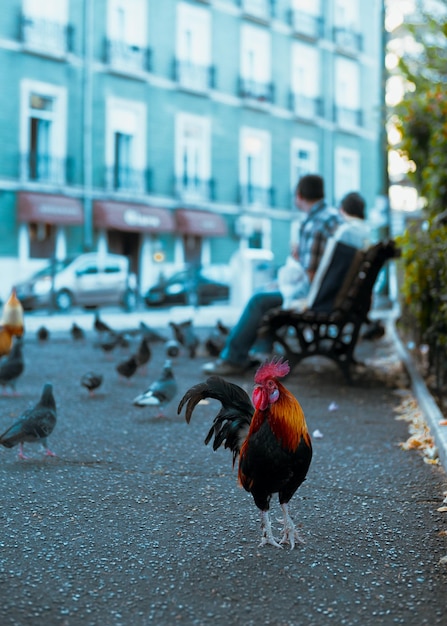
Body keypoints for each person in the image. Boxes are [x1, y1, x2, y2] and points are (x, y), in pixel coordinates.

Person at [202, 174, 343, 376]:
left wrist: (295, 268)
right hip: (333, 293)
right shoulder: (335, 218)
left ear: (299, 195)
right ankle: (259, 351)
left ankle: (233, 358)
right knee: (267, 295)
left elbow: (311, 272)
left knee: (258, 300)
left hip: (318, 297)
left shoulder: (313, 224)